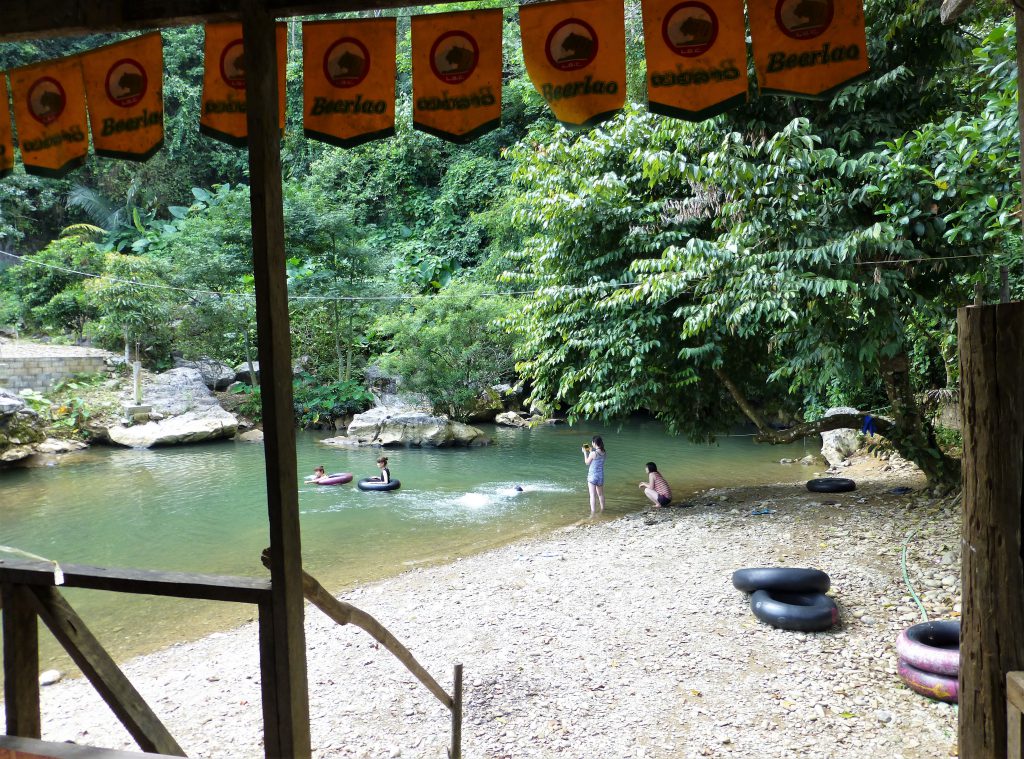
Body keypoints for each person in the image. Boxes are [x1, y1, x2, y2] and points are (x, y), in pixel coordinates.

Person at [583, 436, 606, 515]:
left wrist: (585, 453)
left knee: (592, 495)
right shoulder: (604, 452)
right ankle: (603, 509)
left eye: (592, 442)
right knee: (601, 494)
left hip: (592, 476)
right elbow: (596, 457)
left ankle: (593, 513)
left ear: (594, 443)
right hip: (600, 476)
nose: (592, 443)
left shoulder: (593, 453)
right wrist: (590, 451)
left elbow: (587, 462)